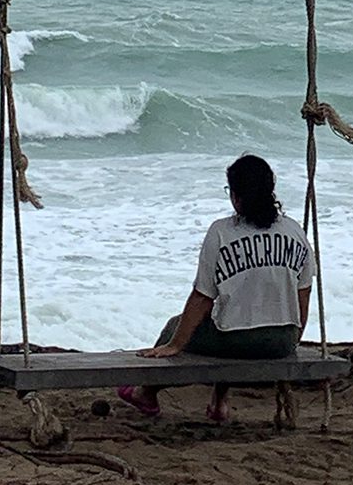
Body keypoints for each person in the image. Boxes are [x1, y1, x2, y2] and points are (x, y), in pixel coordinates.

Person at [116, 154, 314, 423]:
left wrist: (175, 344)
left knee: (181, 324)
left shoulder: (221, 232)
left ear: (236, 196)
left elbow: (202, 297)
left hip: (238, 340)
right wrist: (295, 336)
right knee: (227, 316)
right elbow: (304, 291)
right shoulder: (294, 231)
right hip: (282, 341)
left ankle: (146, 393)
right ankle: (220, 402)